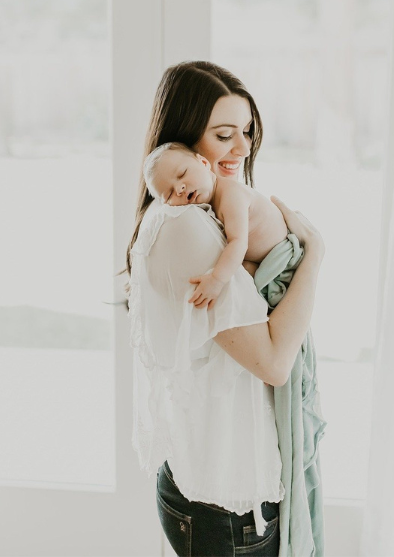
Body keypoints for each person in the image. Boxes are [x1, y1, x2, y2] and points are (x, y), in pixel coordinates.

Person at [124, 61, 325, 557]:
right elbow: (275, 363)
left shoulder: (191, 211)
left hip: (217, 486)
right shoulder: (188, 228)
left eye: (248, 132)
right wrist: (315, 253)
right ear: (189, 143)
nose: (243, 148)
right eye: (224, 134)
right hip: (227, 504)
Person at [142, 141, 289, 310]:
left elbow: (238, 242)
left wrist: (216, 280)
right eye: (168, 195)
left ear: (204, 163)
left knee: (235, 276)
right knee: (241, 272)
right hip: (261, 259)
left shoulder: (231, 195)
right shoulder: (204, 206)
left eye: (182, 174)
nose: (179, 188)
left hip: (282, 259)